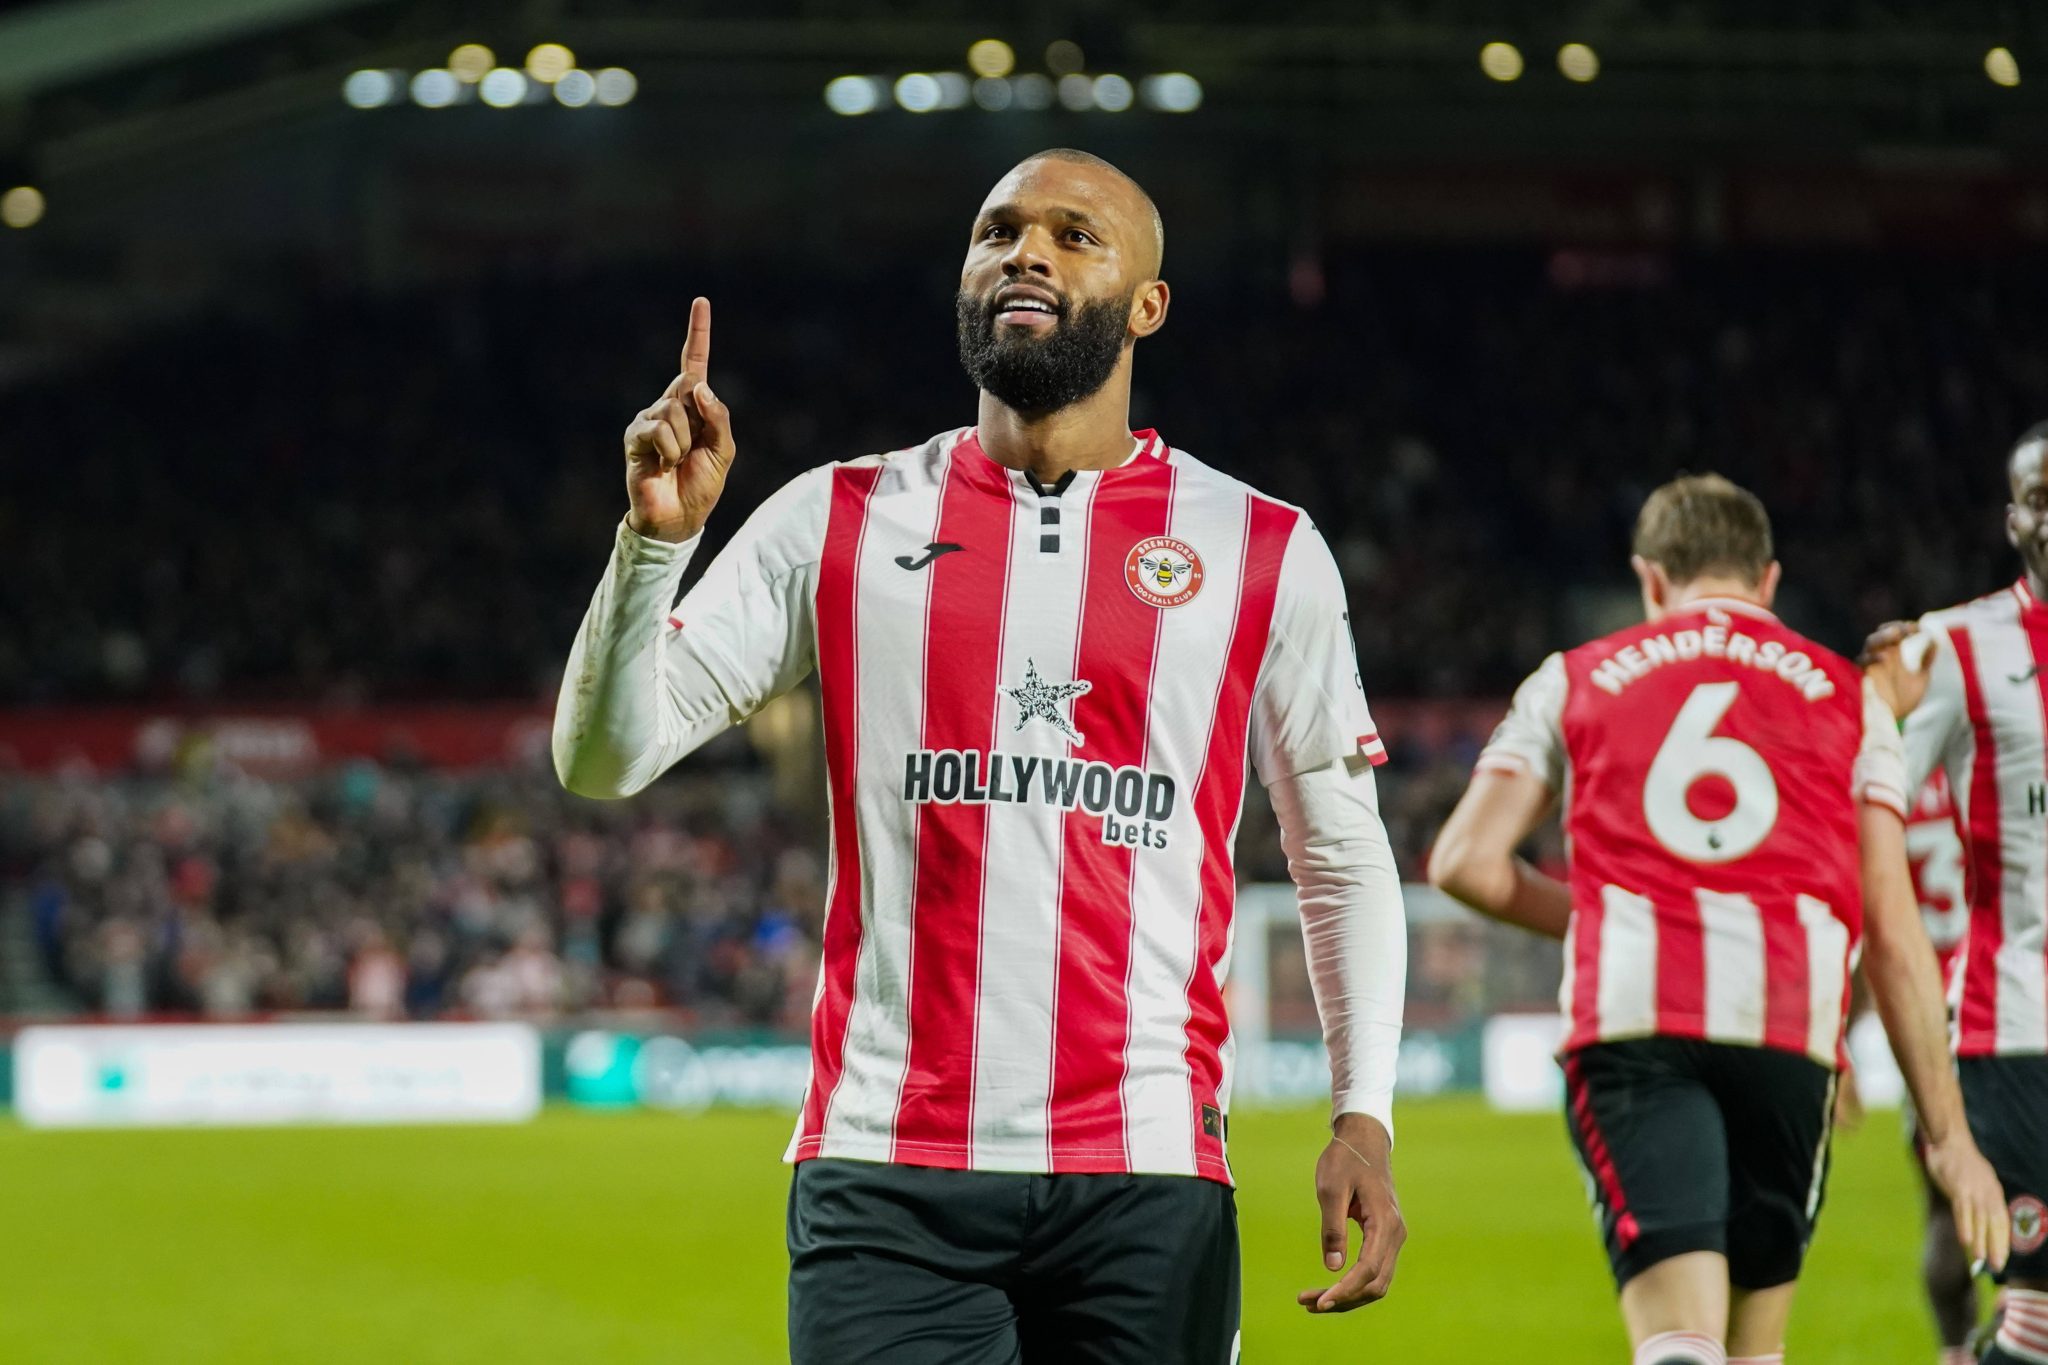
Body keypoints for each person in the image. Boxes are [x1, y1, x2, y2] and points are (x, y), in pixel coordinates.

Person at [552, 147, 1410, 1363]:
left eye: (1073, 235)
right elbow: (603, 761)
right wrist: (651, 548)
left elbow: (1339, 858)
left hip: (1147, 1175)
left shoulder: (1260, 546)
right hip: (886, 1172)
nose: (1025, 253)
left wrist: (1362, 1116)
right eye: (997, 231)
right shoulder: (837, 516)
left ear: (1147, 305)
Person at [1426, 474, 2007, 1365]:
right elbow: (1893, 934)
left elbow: (1463, 860)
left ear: (1650, 578)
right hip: (1786, 1029)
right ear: (1768, 580)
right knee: (1749, 1352)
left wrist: (1609, 913)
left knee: (1679, 1341)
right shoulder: (1850, 697)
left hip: (1635, 1020)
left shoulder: (1574, 676)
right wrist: (1950, 1136)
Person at [1865, 423, 2048, 1365]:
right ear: (2013, 519)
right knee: (2037, 1317)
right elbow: (1861, 794)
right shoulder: (1956, 648)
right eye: (2040, 498)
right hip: (2016, 1031)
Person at [1901, 773, 1982, 1365]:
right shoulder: (2009, 756)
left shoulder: (1900, 773)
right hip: (2010, 1004)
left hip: (1929, 1016)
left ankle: (1956, 1352)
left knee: (1944, 1207)